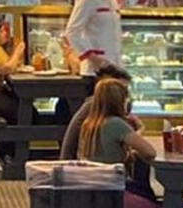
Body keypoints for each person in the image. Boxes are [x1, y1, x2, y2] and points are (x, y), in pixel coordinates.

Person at [59, 78, 157, 208]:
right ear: (120, 101)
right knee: (145, 186)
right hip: (112, 186)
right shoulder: (116, 124)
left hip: (91, 187)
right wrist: (140, 130)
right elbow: (150, 152)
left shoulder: (88, 124)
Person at [64, 0, 124, 75]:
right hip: (94, 70)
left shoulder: (112, 0)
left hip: (114, 67)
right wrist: (92, 58)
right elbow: (71, 31)